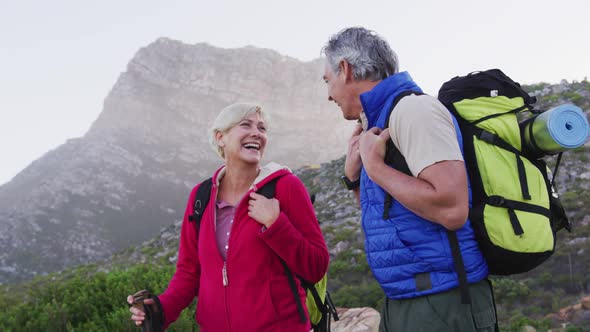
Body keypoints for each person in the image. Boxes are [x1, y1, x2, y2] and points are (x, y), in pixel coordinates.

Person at [322, 27, 498, 331]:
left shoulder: (415, 110)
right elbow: (390, 211)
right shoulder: (380, 122)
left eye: (328, 81)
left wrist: (375, 167)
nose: (328, 95)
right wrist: (354, 177)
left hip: (443, 302)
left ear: (346, 70)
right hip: (406, 299)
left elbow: (452, 210)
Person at [127, 102, 329, 331]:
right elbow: (189, 272)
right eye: (246, 125)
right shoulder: (200, 197)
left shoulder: (286, 187)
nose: (257, 133)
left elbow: (316, 266)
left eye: (262, 128)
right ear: (220, 137)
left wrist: (276, 224)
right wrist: (160, 310)